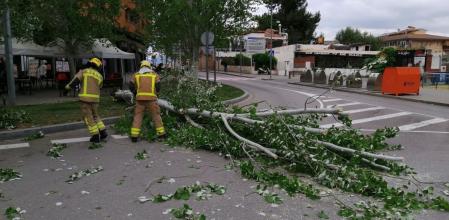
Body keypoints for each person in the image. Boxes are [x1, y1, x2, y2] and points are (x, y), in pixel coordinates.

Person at [65, 57, 108, 143]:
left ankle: (95, 136)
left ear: (90, 63)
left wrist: (67, 88)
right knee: (96, 116)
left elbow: (76, 80)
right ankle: (103, 131)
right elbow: (100, 86)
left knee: (88, 117)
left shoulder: (84, 71)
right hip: (95, 99)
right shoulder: (100, 76)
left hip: (85, 99)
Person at [129, 60, 166, 142]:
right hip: (152, 100)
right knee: (156, 116)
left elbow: (131, 86)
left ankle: (134, 136)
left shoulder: (136, 75)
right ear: (149, 66)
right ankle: (161, 134)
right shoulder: (154, 75)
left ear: (141, 66)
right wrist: (157, 94)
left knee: (138, 116)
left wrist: (135, 93)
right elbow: (158, 87)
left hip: (140, 100)